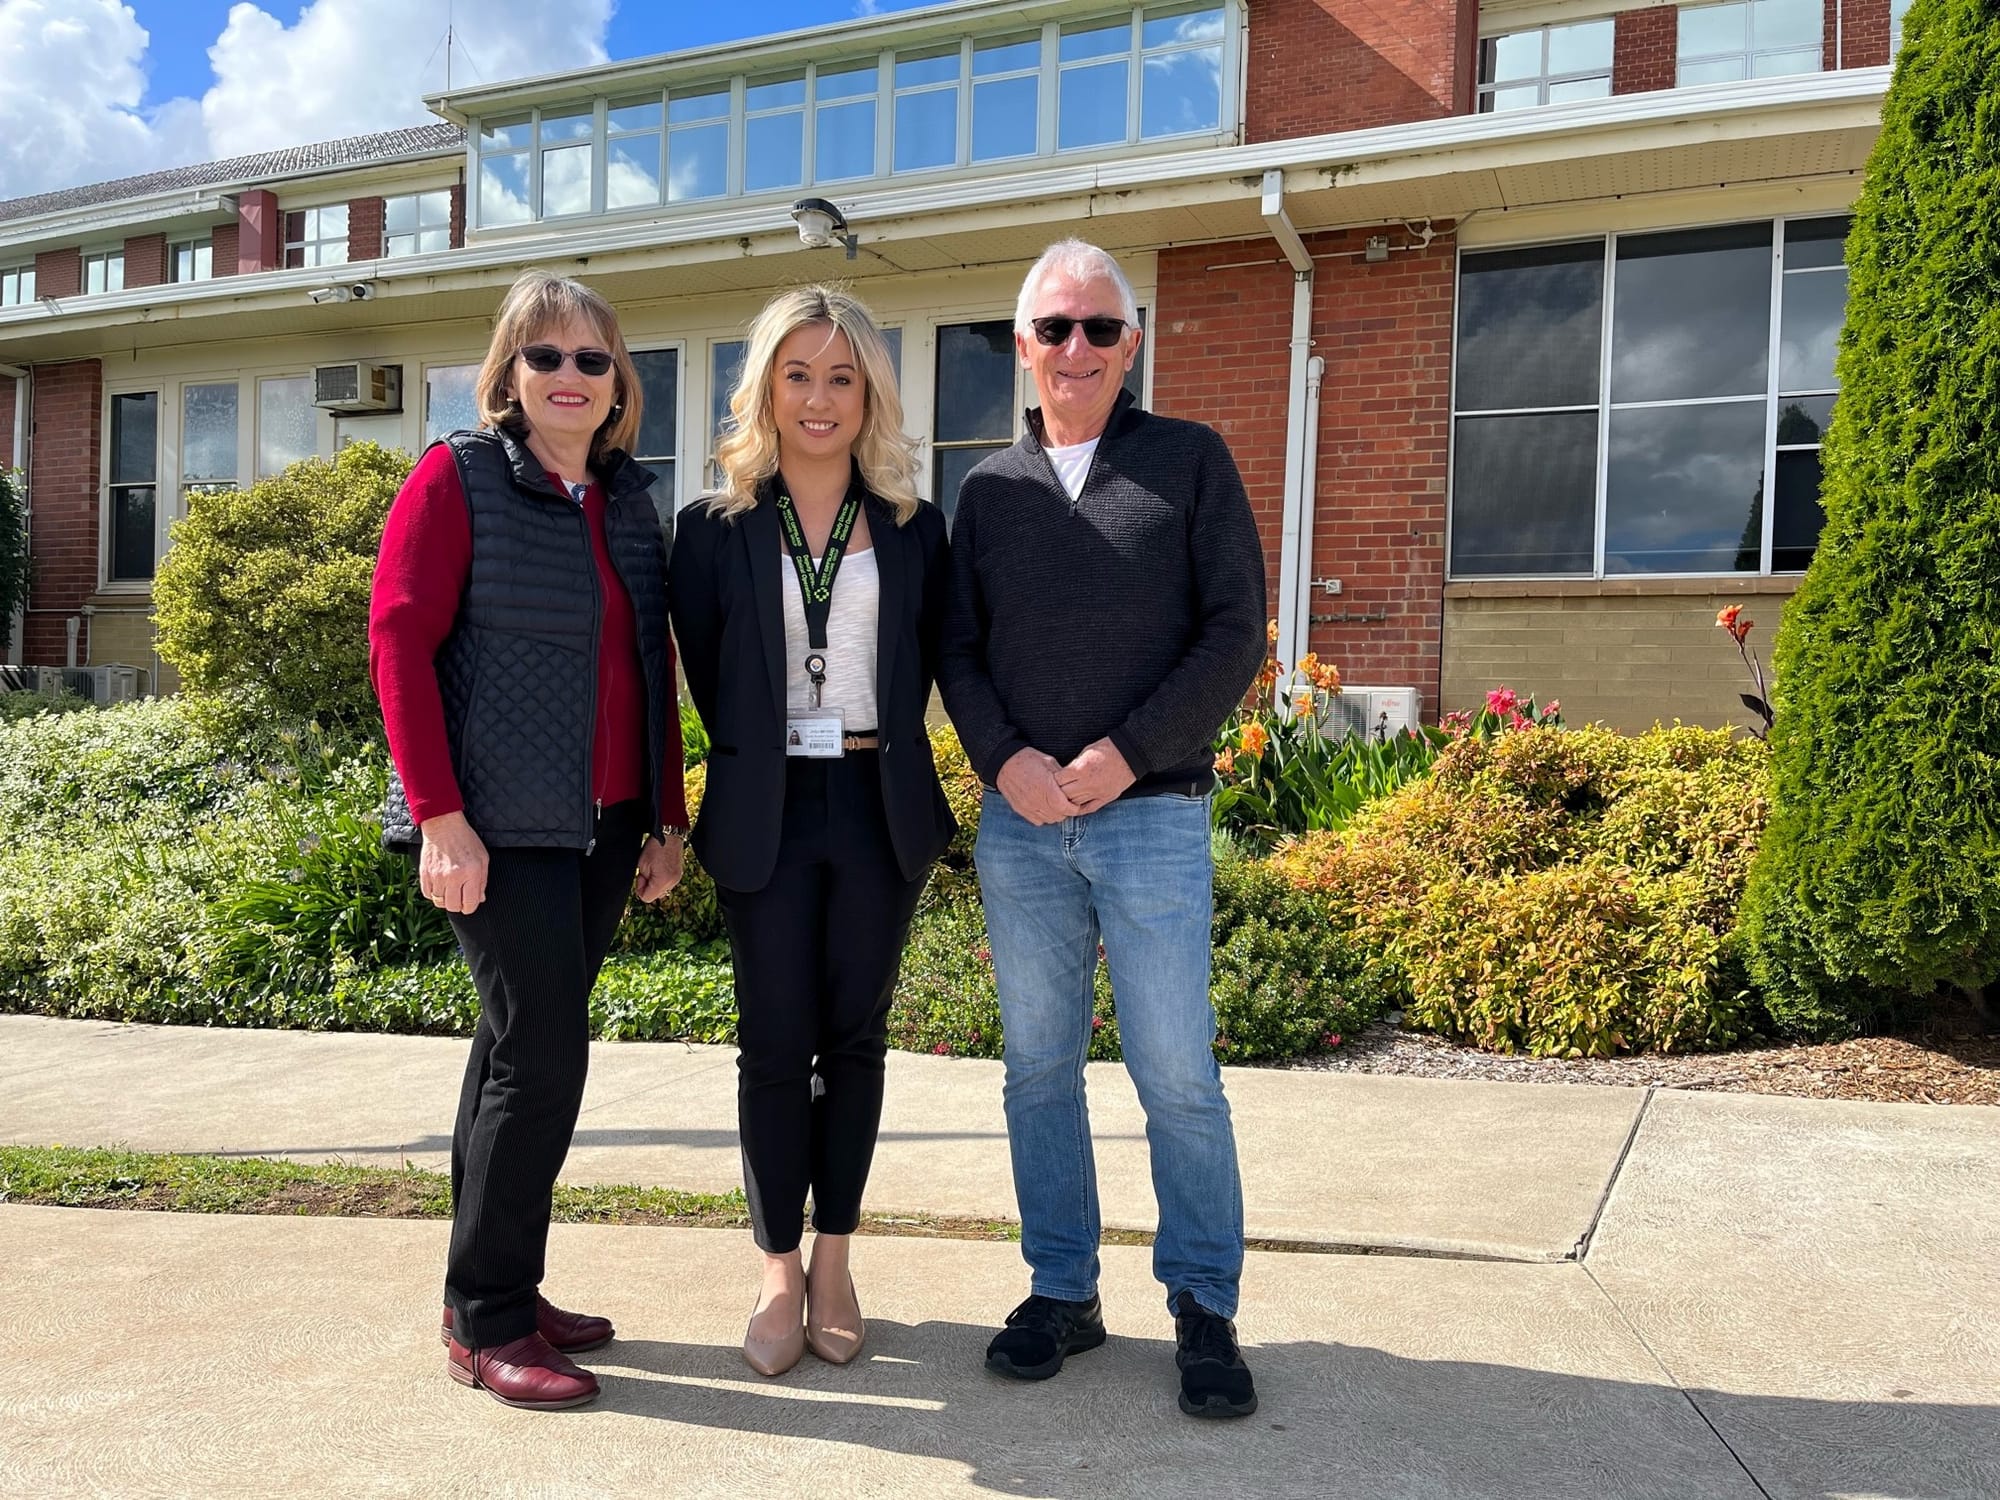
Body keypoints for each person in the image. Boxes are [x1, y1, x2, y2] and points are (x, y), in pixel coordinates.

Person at [938, 239, 1268, 1418]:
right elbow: (955, 648)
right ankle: (1062, 1291)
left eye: (1099, 328)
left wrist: (1124, 755)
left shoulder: (1187, 463)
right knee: (1037, 1073)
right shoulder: (985, 491)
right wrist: (1004, 760)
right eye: (1054, 328)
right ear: (1020, 346)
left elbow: (1233, 631)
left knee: (1175, 1074)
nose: (1075, 348)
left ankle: (1201, 1303)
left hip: (1152, 821)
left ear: (1129, 345)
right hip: (1021, 830)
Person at [370, 269, 689, 1411]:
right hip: (498, 829)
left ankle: (492, 1288)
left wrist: (666, 816)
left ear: (617, 387)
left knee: (510, 1049)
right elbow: (399, 644)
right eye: (543, 356)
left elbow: (649, 666)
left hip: (603, 825)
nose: (568, 376)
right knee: (543, 1054)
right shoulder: (457, 479)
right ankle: (489, 1320)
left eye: (590, 359)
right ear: (506, 373)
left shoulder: (625, 502)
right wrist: (440, 817)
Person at [669, 286, 955, 1378]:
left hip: (876, 801)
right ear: (765, 389)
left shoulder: (914, 526)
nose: (819, 398)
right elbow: (702, 666)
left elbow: (936, 655)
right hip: (765, 809)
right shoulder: (712, 528)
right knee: (773, 1046)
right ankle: (777, 1272)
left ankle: (837, 1259)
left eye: (842, 377)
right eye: (797, 375)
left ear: (870, 392)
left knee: (857, 1042)